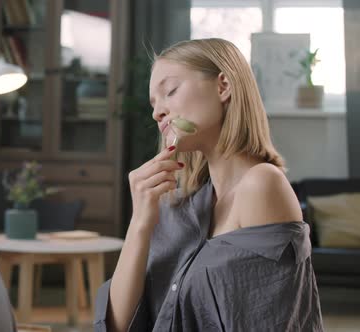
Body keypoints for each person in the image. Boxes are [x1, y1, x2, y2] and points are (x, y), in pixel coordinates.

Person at [94, 38, 323, 331]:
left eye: (170, 91)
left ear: (223, 86)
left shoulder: (261, 185)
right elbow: (117, 325)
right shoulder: (179, 204)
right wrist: (140, 221)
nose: (157, 113)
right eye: (154, 104)